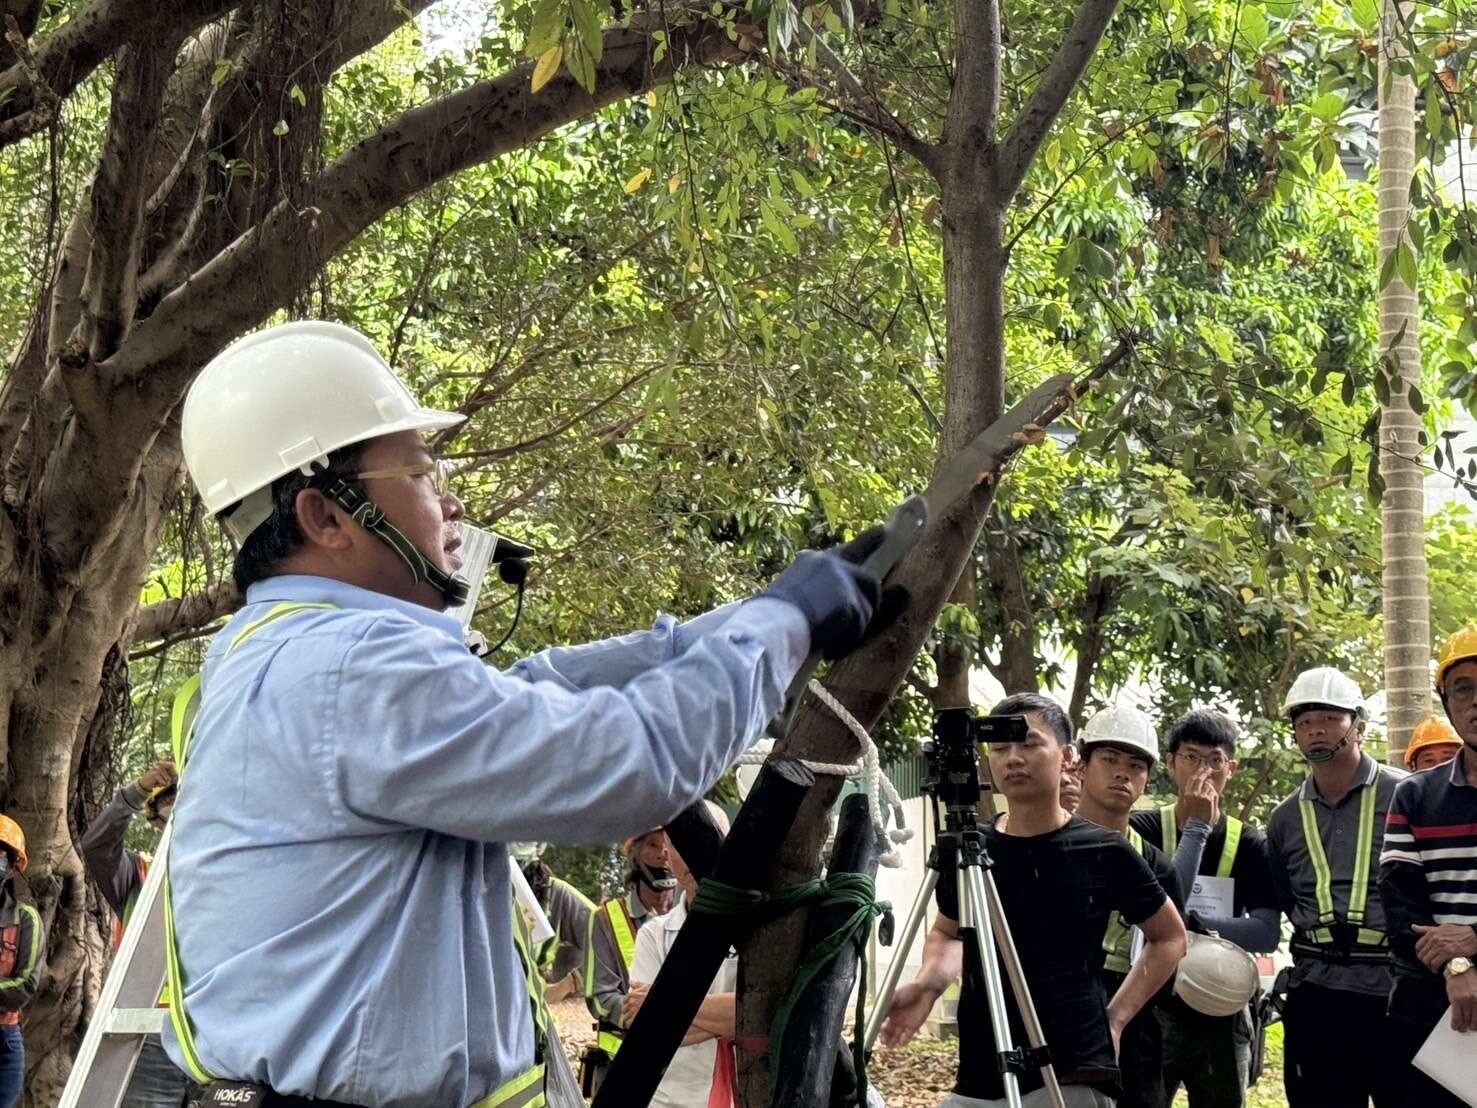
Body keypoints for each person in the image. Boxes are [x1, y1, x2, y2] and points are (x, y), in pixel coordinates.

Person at [165, 320, 889, 1107]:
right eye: (418, 467)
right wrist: (778, 626)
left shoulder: (271, 652)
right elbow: (629, 765)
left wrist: (745, 620)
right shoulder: (355, 664)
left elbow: (533, 688)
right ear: (327, 517)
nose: (449, 498)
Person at [881, 693, 1186, 1108]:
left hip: (1072, 1070)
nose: (1013, 758)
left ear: (1066, 757)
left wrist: (1115, 1019)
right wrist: (929, 985)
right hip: (980, 1072)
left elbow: (1169, 937)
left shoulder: (1103, 849)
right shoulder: (968, 849)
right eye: (1000, 748)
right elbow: (949, 932)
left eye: (1028, 744)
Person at [1265, 666, 1404, 1108]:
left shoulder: (1405, 795)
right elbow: (1285, 897)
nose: (1316, 731)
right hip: (1317, 990)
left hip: (1392, 989)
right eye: (1304, 722)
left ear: (1357, 727)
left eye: (1329, 719)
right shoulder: (1285, 818)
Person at [1128, 709, 1278, 1108]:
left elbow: (1266, 931)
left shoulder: (1247, 842)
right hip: (1153, 1004)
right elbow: (1160, 907)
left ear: (1230, 768)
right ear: (1171, 762)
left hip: (1221, 1006)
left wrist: (1194, 925)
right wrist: (1195, 829)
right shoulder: (1142, 830)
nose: (1203, 771)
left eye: (1214, 760)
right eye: (1191, 757)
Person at [1378, 628, 1477, 1108]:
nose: (1476, 702)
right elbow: (1401, 910)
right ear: (1447, 700)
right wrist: (1457, 965)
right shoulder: (1414, 796)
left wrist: (1474, 942)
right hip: (1433, 1009)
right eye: (1464, 688)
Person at [1075, 706, 1183, 1108]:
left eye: (1135, 765)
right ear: (1081, 766)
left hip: (1134, 1021)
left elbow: (1170, 948)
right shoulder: (1048, 845)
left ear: (1147, 780)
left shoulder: (1157, 867)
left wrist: (1117, 1019)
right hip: (1055, 1010)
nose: (1122, 773)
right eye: (1109, 760)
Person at [78, 760, 198, 1107]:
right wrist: (137, 792)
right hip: (149, 1033)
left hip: (210, 1033)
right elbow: (97, 845)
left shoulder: (223, 875)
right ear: (156, 822)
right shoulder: (136, 876)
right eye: (170, 810)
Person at [623, 804, 736, 1108]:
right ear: (669, 857)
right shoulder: (654, 935)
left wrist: (663, 1003)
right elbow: (647, 1030)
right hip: (670, 1100)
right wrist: (729, 1017)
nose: (695, 853)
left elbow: (763, 1013)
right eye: (681, 844)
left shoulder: (760, 929)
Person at [584, 826, 677, 1058]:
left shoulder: (693, 914)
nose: (663, 853)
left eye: (669, 845)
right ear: (634, 856)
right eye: (653, 845)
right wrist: (644, 1014)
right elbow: (600, 997)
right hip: (623, 1061)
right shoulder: (605, 918)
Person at [508, 843, 593, 1002]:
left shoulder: (553, 894)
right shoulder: (462, 887)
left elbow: (610, 938)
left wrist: (571, 983)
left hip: (530, 1017)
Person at [0, 816, 42, 1108]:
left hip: (4, 1041)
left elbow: (26, 985)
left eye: (1, 856)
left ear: (13, 866)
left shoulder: (25, 918)